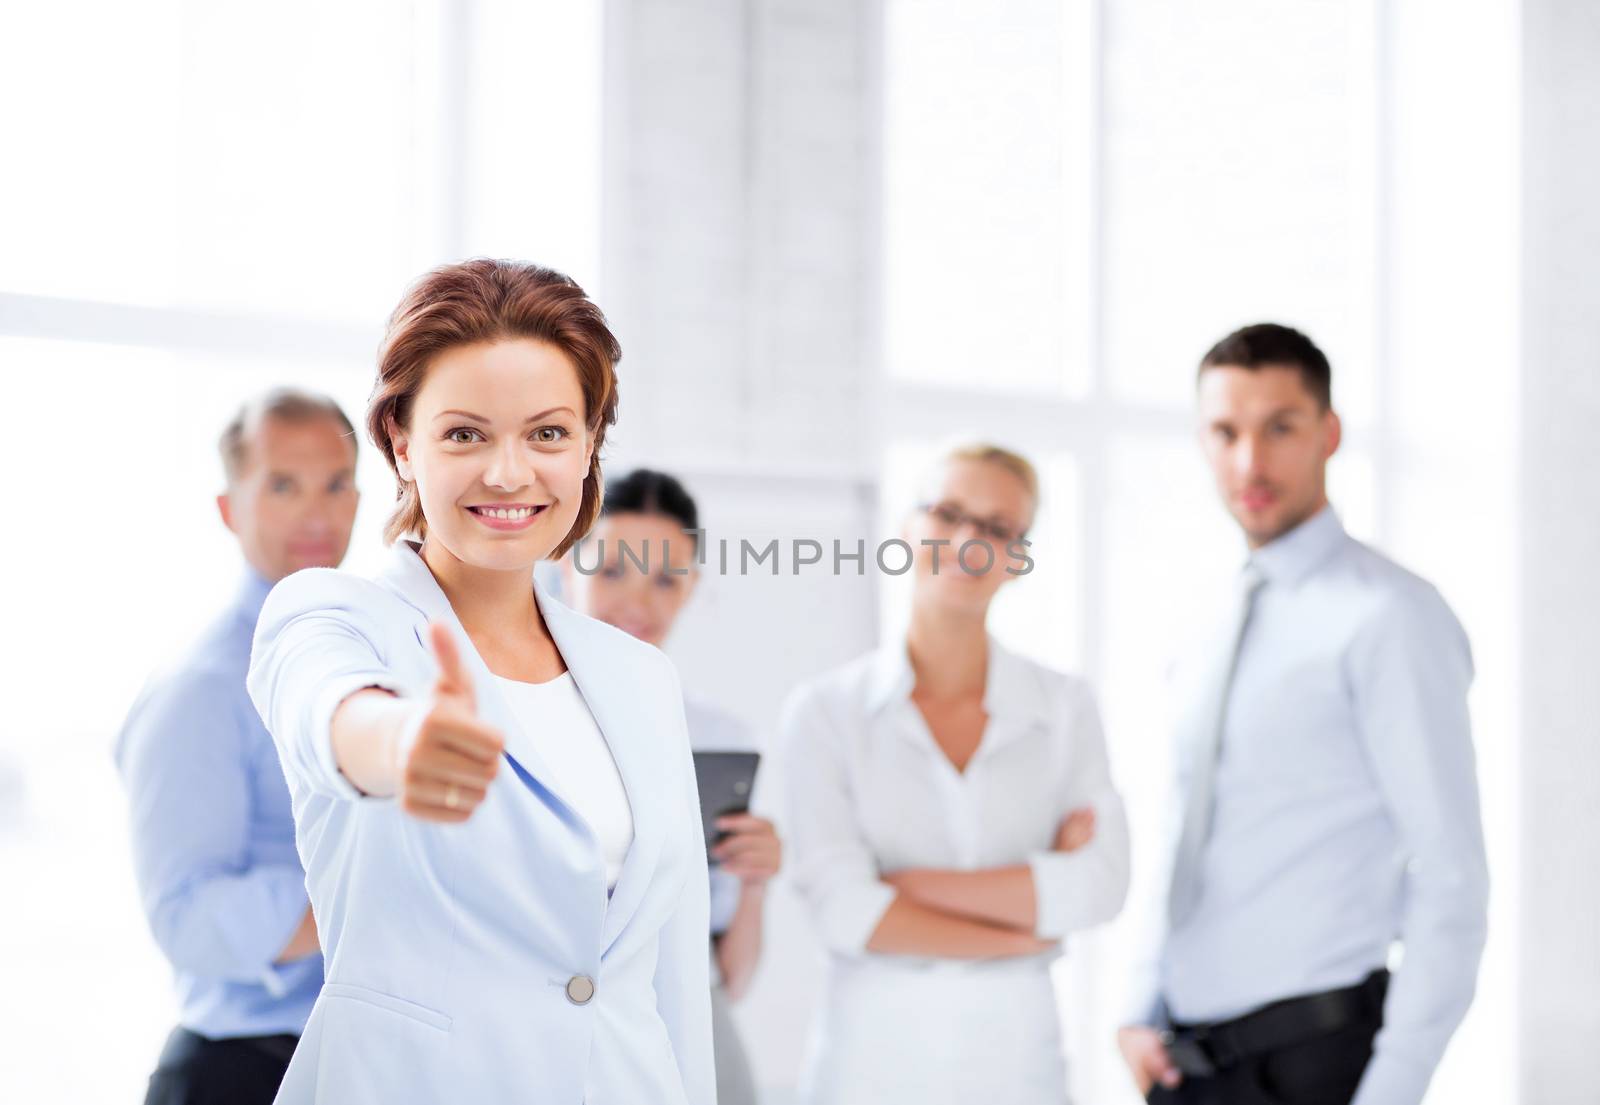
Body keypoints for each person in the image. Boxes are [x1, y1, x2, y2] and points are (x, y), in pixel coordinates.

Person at [245, 259, 715, 1104]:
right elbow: (329, 708)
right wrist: (397, 743)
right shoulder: (334, 614)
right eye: (465, 434)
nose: (508, 473)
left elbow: (670, 978)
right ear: (400, 441)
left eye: (547, 433)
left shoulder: (640, 678)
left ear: (588, 443)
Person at [1116, 323, 1489, 1105]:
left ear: (1329, 432)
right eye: (1225, 431)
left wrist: (1393, 1087)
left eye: (1279, 427)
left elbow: (1451, 874)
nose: (1249, 461)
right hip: (1188, 1065)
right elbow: (1190, 822)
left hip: (1316, 1065)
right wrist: (1138, 1003)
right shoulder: (1207, 618)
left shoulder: (1391, 616)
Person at [777, 442, 1130, 1105]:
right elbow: (844, 909)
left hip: (1017, 1067)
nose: (970, 538)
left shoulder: (1063, 706)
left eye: (998, 527)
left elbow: (1100, 886)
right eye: (949, 512)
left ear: (1020, 556)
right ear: (908, 528)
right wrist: (1029, 924)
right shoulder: (827, 711)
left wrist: (909, 886)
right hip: (870, 1066)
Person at [115, 388, 360, 1105]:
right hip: (239, 1072)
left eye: (338, 483)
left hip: (348, 1067)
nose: (317, 511)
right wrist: (368, 898)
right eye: (283, 484)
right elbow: (187, 915)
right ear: (230, 509)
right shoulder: (203, 687)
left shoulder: (377, 660)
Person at [562, 467, 782, 1105]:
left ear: (692, 589)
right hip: (567, 1020)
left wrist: (758, 881)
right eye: (610, 572)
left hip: (693, 1021)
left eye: (665, 580)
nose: (638, 602)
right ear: (564, 568)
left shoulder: (715, 735)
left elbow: (733, 977)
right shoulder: (519, 716)